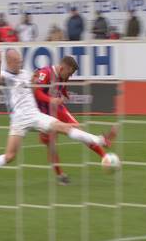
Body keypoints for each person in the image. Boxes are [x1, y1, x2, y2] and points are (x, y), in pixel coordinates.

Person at [0, 49, 117, 190]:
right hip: (18, 120)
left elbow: (36, 88)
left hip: (35, 115)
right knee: (10, 156)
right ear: (9, 62)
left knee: (66, 127)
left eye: (20, 61)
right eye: (16, 61)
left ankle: (101, 140)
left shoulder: (26, 73)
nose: (20, 64)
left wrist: (49, 89)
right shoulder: (5, 76)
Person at [33, 56, 108, 185]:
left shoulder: (63, 76)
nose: (70, 76)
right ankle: (60, 175)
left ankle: (105, 157)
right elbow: (36, 92)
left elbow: (62, 89)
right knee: (52, 145)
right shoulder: (45, 73)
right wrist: (51, 100)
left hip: (58, 109)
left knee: (79, 130)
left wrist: (65, 95)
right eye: (70, 73)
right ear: (63, 68)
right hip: (43, 113)